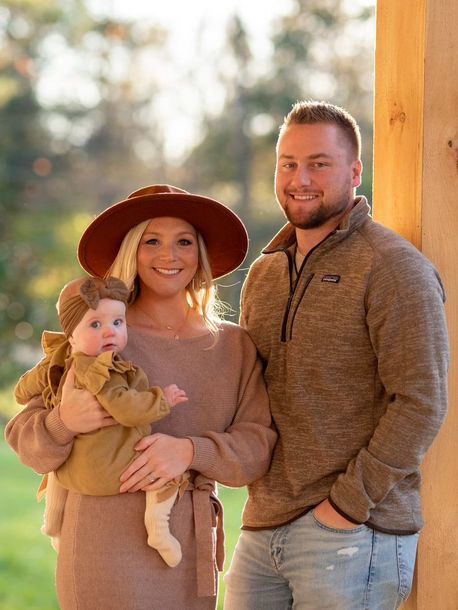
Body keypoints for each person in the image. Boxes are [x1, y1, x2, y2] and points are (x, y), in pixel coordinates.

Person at [5, 183, 277, 610]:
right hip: (103, 546)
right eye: (152, 241)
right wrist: (64, 422)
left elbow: (258, 445)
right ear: (131, 252)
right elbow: (25, 439)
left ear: (199, 255)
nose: (169, 256)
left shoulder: (233, 346)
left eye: (183, 242)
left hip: (190, 546)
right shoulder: (100, 334)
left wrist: (191, 451)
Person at [223, 100, 449, 610]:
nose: (300, 178)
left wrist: (345, 506)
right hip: (263, 525)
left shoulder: (393, 267)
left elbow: (421, 401)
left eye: (318, 163)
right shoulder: (265, 273)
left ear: (354, 171)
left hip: (352, 533)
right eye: (288, 163)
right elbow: (247, 392)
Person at [14, 275, 188, 565]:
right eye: (96, 324)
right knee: (164, 473)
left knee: (58, 471)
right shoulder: (104, 370)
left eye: (117, 323)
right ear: (71, 335)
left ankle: (53, 522)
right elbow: (126, 409)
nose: (110, 332)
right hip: (111, 471)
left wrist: (36, 382)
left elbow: (22, 390)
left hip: (73, 472)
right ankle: (158, 527)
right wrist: (162, 400)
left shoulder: (59, 361)